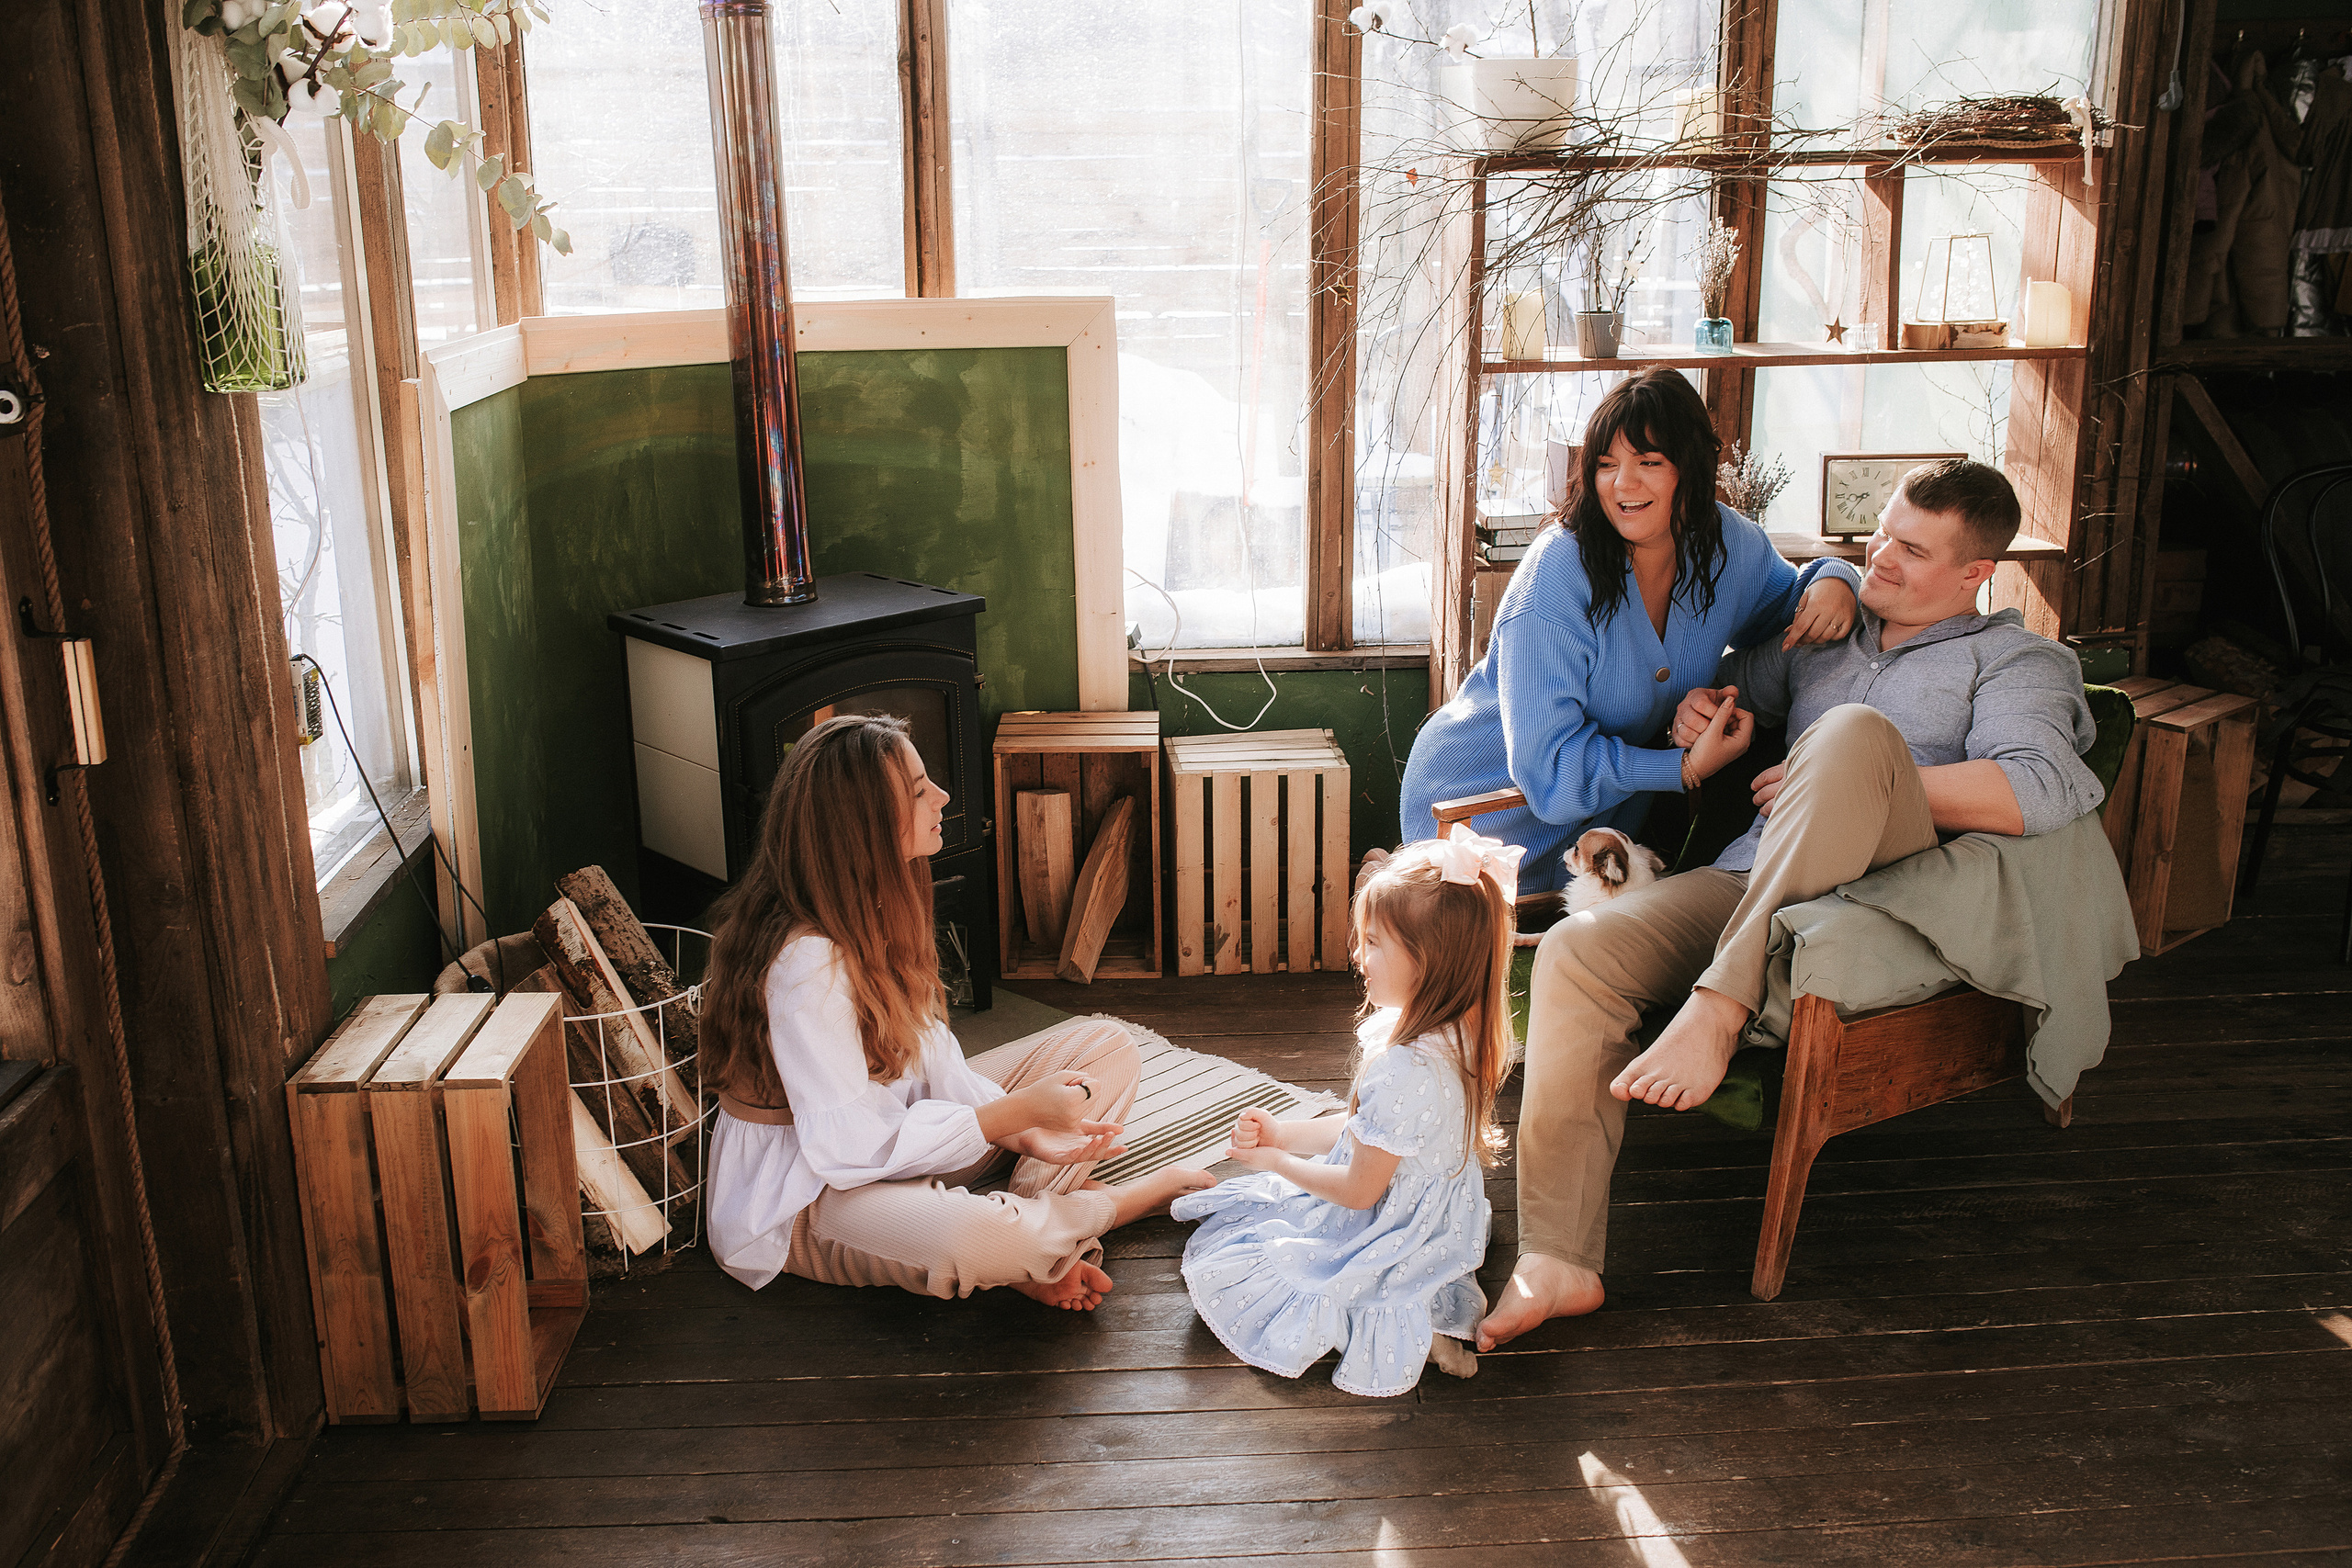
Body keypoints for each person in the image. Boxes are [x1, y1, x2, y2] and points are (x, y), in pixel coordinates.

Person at [1477, 457, 2106, 1349]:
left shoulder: (2014, 659)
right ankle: (1558, 1260)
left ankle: (1718, 1006)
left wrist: (1843, 779)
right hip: (1751, 878)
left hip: (1878, 896)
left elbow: (2038, 788)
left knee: (1849, 736)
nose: (1881, 557)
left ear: (1975, 574)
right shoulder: (1824, 641)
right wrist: (1697, 717)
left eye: (1911, 550)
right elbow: (1727, 691)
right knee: (1580, 951)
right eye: (1881, 533)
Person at [702, 714, 1214, 1310]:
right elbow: (846, 1150)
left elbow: (930, 1054)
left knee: (1107, 1046)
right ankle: (1107, 1208)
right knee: (977, 1235)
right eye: (920, 792)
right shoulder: (806, 960)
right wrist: (1013, 1114)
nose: (942, 798)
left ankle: (1037, 1239)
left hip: (894, 1140)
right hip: (807, 1195)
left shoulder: (874, 897)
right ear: (863, 826)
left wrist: (1019, 1124)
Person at [1398, 367, 1863, 892]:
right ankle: (1389, 872)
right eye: (1606, 464)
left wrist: (1837, 578)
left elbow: (1791, 601)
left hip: (1605, 833)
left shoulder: (1728, 545)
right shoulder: (1556, 574)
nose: (1623, 484)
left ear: (1689, 469)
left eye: (1649, 462)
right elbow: (1548, 774)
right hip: (1482, 809)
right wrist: (1682, 766)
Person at [1169, 825, 1520, 1396]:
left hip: (1386, 1222)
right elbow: (1372, 1135)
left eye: (1374, 942)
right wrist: (1285, 1131)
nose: (1357, 955)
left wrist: (1276, 1161)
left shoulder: (1406, 1069)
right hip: (1437, 1226)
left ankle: (1406, 1321)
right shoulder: (1462, 1033)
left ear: (1428, 962)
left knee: (1274, 1256)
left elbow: (1359, 1191)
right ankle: (1422, 1309)